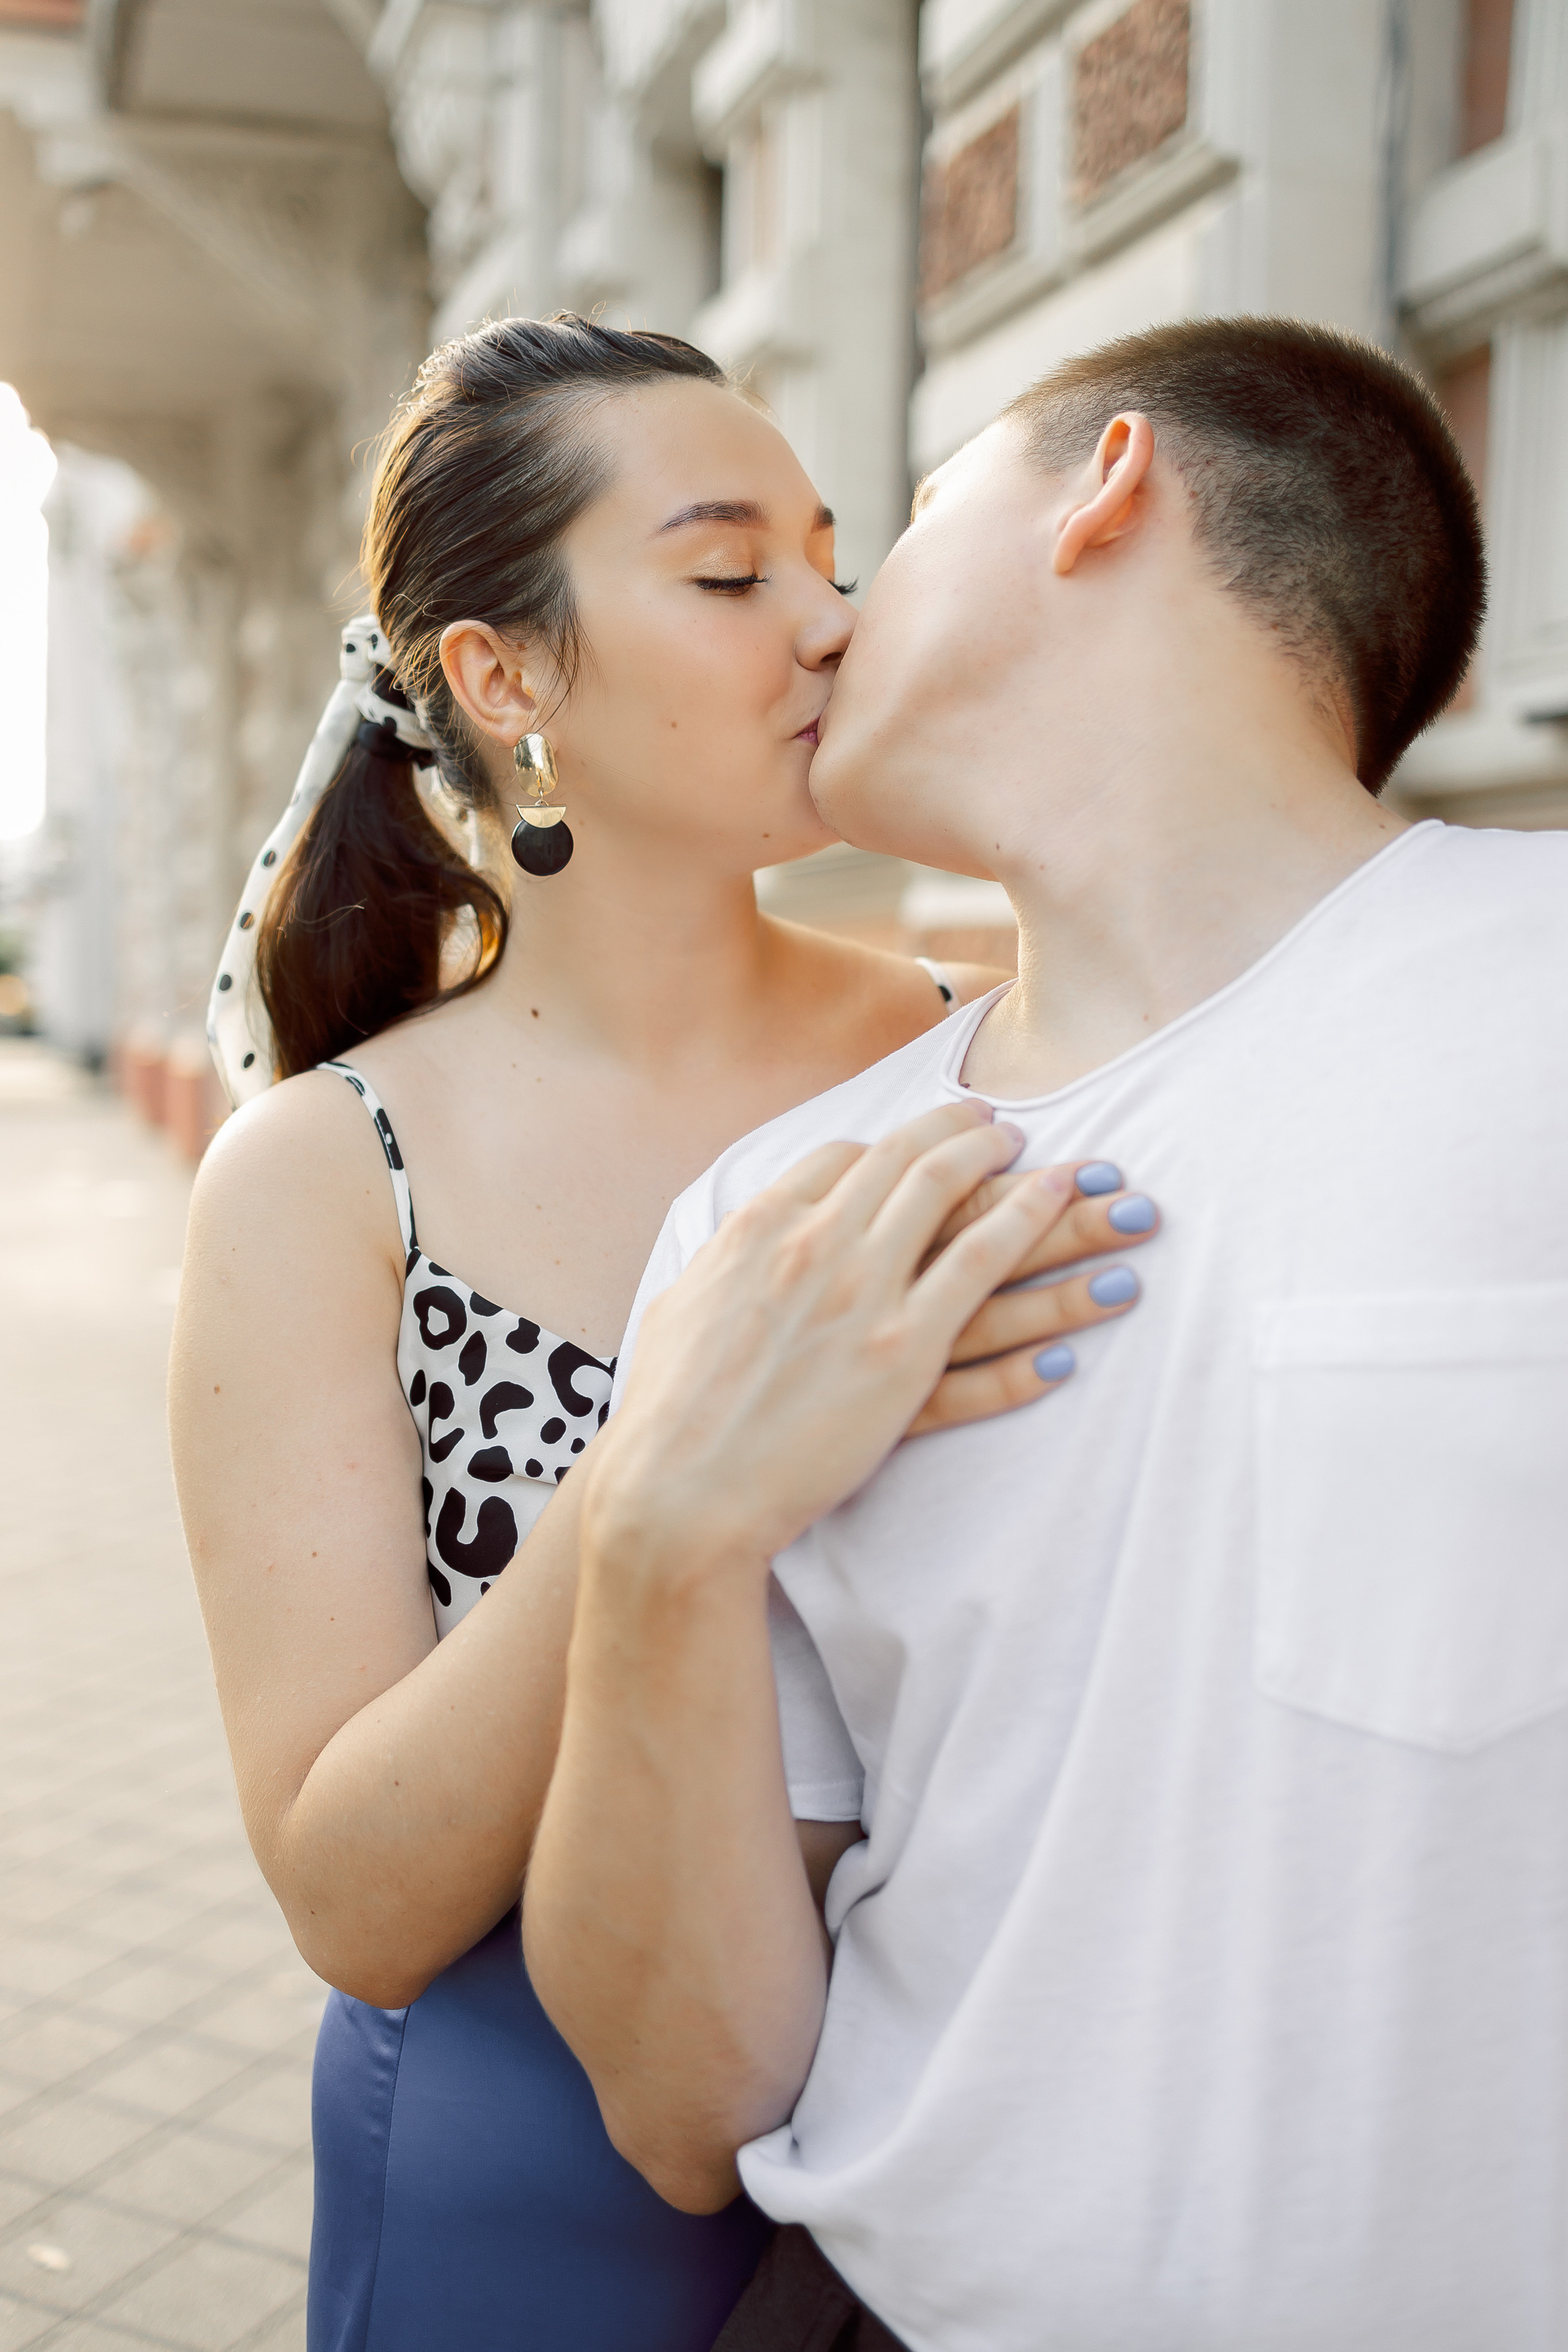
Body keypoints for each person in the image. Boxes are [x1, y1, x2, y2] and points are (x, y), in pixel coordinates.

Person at [521, 318, 1568, 2351]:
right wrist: (662, 1536)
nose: (821, 630)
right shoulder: (772, 1221)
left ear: (1104, 484)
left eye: (898, 524)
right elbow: (680, 2104)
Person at [168, 314, 1159, 2352]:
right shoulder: (328, 1175)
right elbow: (349, 1895)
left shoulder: (986, 1057)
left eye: (832, 551)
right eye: (729, 575)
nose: (830, 620)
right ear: (506, 678)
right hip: (543, 2188)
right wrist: (671, 1468)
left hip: (993, 2131)